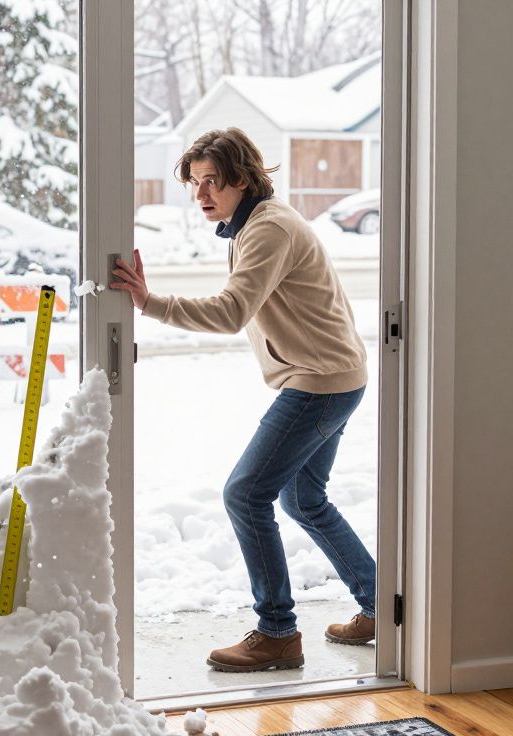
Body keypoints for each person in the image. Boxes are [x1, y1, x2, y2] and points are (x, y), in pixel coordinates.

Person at [111, 127, 376, 673]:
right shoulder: (251, 224)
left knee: (245, 493)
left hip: (320, 379)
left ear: (243, 178)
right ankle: (382, 607)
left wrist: (148, 302)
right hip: (331, 374)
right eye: (195, 183)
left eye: (213, 181)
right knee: (303, 500)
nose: (202, 193)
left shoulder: (268, 228)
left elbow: (232, 311)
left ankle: (278, 632)